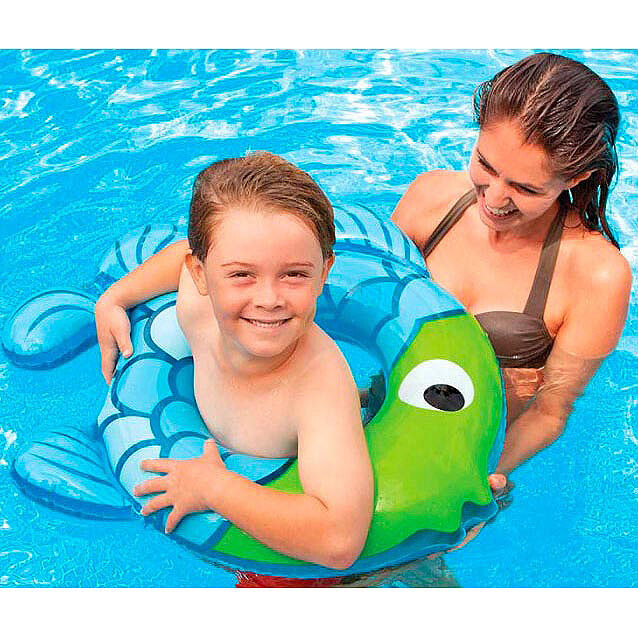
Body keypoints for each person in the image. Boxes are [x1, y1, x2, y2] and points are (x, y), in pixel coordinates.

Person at [94, 152, 374, 580]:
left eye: (295, 274)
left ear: (324, 273)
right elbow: (180, 256)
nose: (269, 299)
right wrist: (115, 298)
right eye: (242, 274)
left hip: (308, 566)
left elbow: (340, 541)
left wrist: (215, 488)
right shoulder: (196, 303)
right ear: (201, 273)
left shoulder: (318, 387)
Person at [392, 52, 632, 496]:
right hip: (388, 401)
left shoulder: (596, 274)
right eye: (485, 164)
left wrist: (476, 479)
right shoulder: (430, 200)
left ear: (576, 178)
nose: (494, 198)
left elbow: (550, 410)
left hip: (477, 448)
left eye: (525, 187)